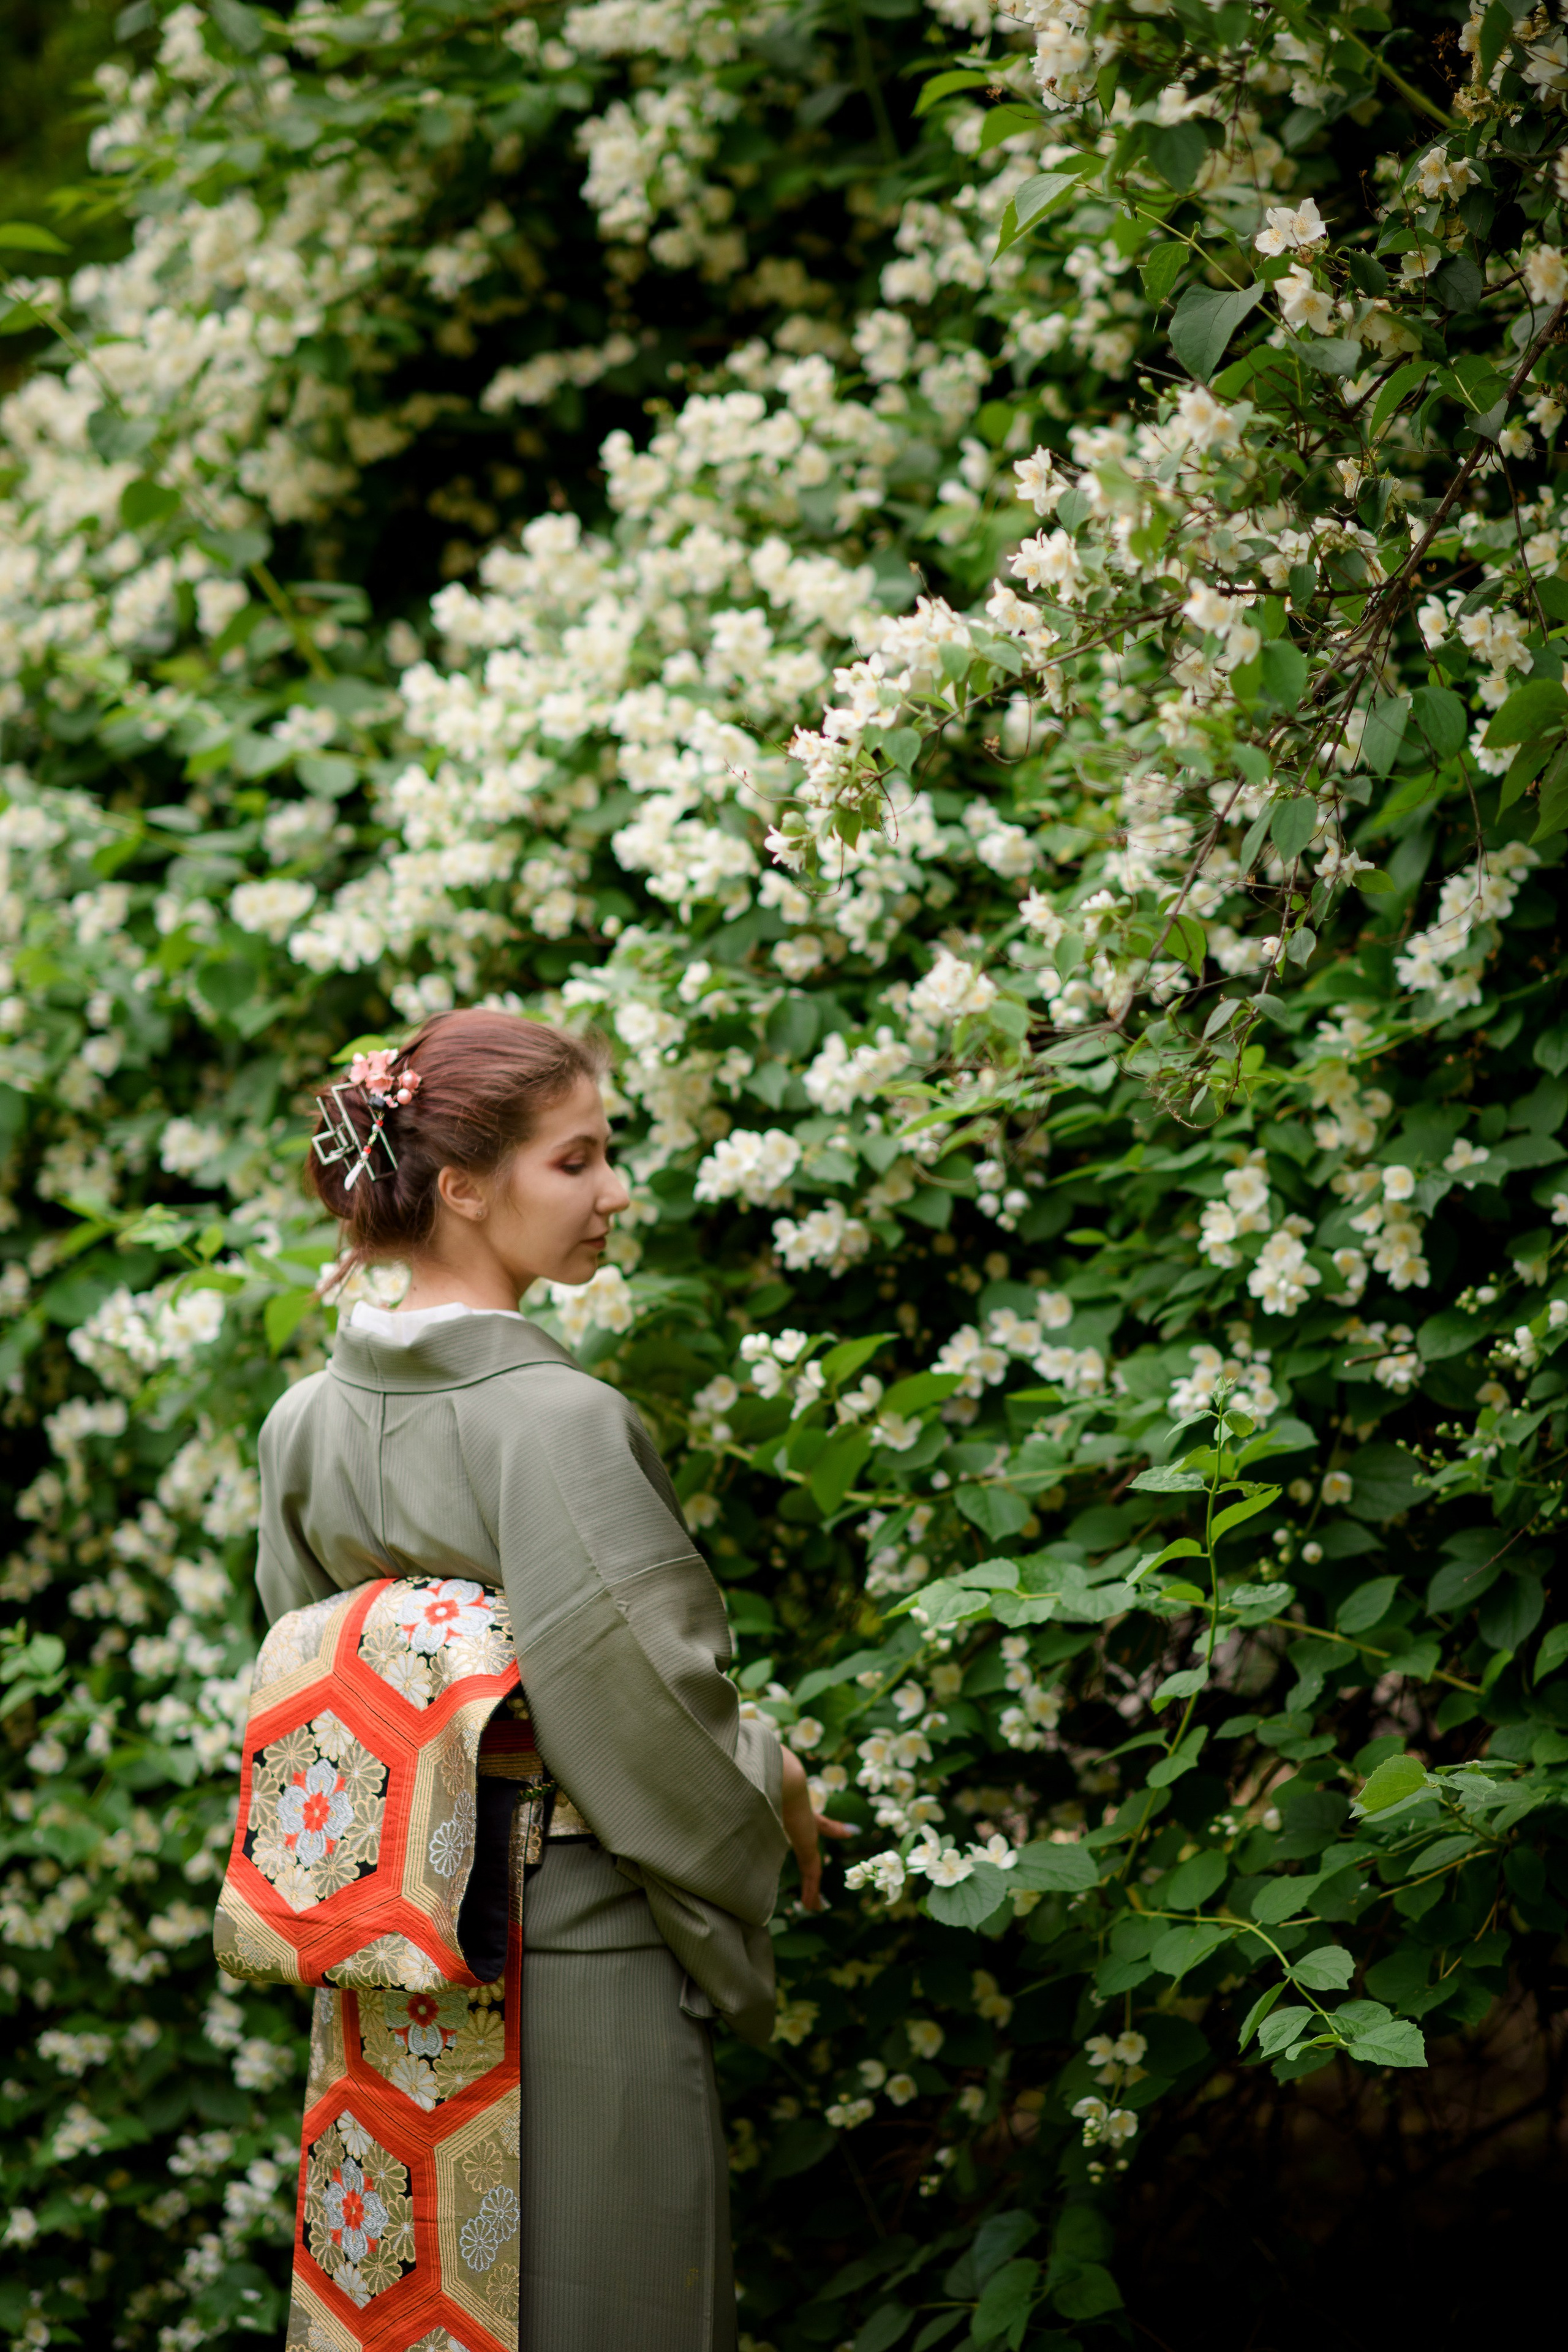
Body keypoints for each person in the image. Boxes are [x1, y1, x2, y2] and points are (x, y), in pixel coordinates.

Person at [254, 1006, 850, 2352]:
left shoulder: (306, 1423)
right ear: (461, 1186)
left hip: (396, 1968)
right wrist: (774, 1782)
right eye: (575, 1161)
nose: (611, 1192)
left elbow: (313, 1693)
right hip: (568, 1952)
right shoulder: (558, 1421)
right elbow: (644, 1714)